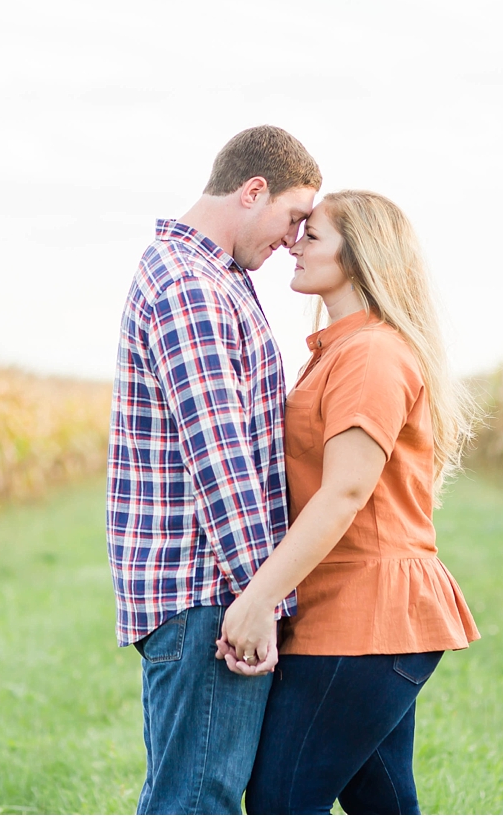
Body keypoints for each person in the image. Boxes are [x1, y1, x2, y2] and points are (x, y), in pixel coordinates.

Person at [216, 190, 481, 815]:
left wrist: (256, 601)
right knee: (383, 802)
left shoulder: (370, 355)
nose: (293, 245)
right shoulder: (344, 349)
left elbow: (344, 493)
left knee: (281, 802)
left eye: (313, 236)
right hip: (356, 616)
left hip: (368, 619)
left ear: (359, 257)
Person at [106, 126, 321, 815]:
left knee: (189, 797)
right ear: (252, 190)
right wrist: (262, 601)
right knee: (198, 803)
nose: (294, 239)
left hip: (210, 592)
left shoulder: (210, 275)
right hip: (211, 594)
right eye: (293, 218)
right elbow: (221, 461)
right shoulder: (191, 285)